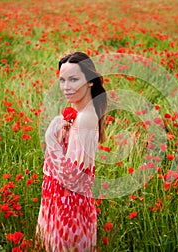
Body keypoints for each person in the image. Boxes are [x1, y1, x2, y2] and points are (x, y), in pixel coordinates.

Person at [36, 52, 107, 251]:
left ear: (90, 81)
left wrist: (51, 142)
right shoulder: (78, 110)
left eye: (74, 79)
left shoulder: (85, 118)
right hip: (60, 203)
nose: (66, 87)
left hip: (69, 210)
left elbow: (75, 178)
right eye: (62, 80)